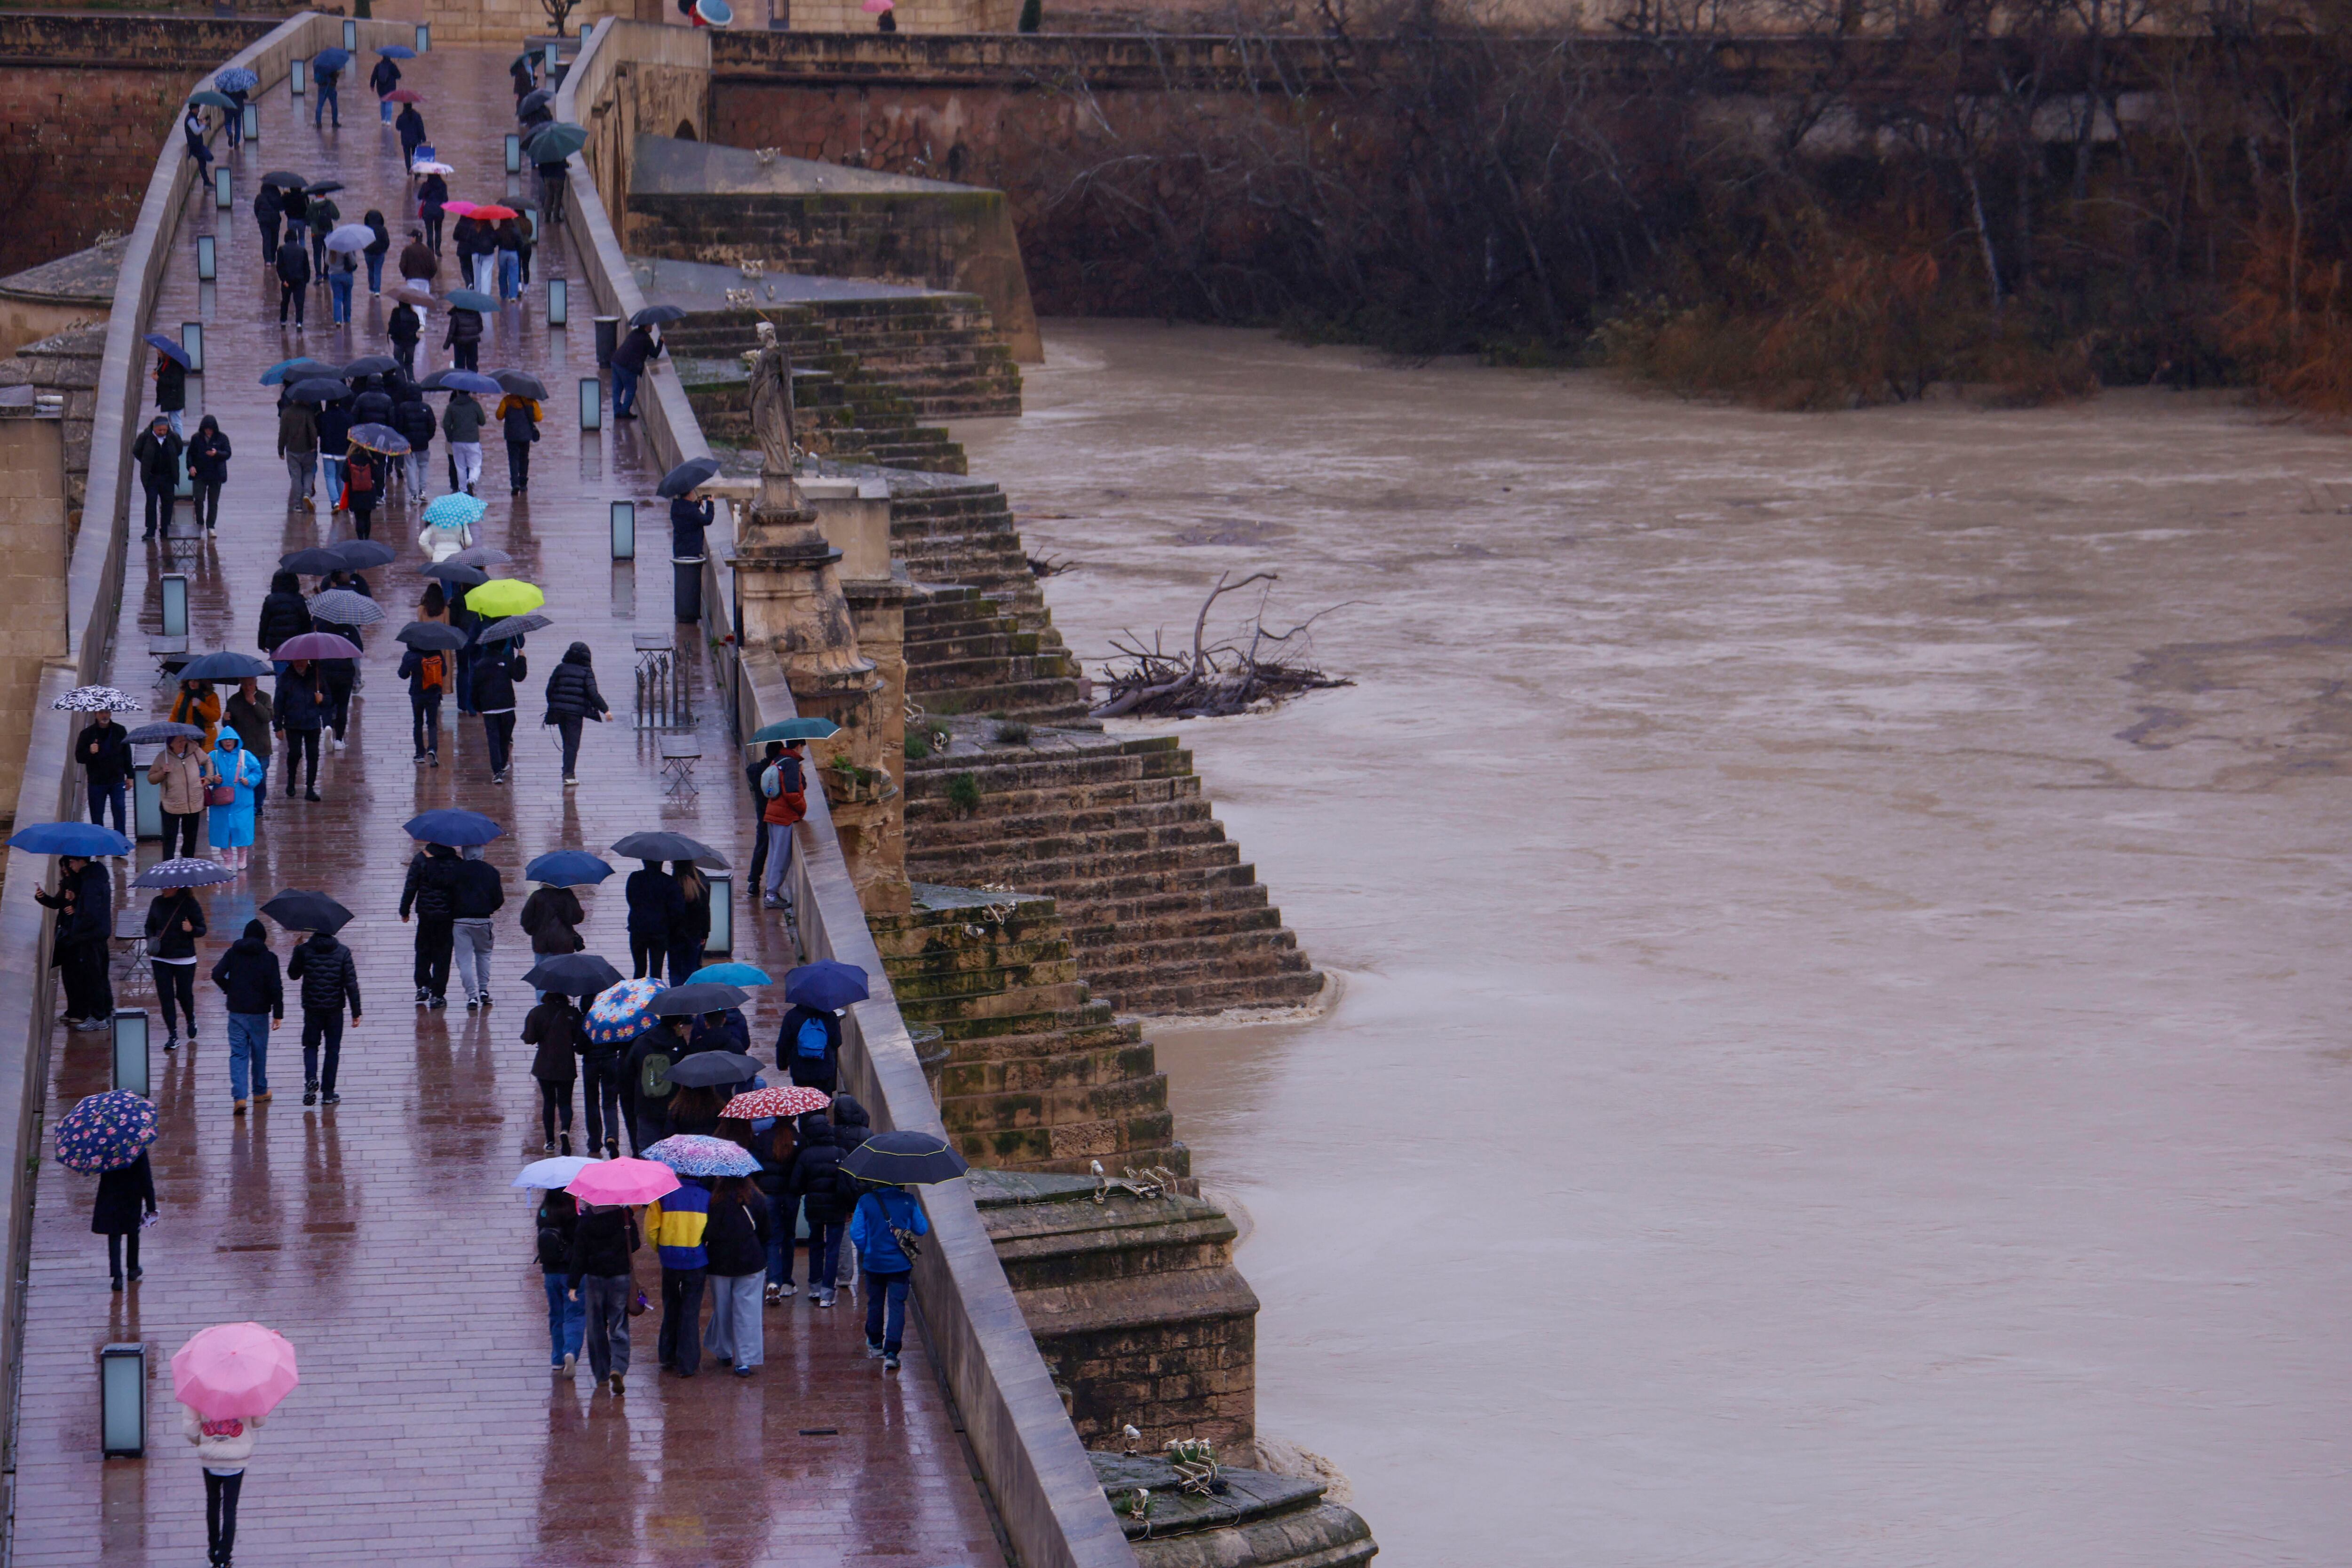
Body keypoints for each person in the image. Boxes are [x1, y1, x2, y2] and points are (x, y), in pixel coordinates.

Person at [850, 1178, 928, 1373]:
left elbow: (856, 1233)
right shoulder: (908, 1200)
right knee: (897, 1305)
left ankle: (876, 1343)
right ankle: (892, 1352)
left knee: (875, 1302)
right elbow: (922, 1228)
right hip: (900, 1264)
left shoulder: (866, 1201)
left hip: (874, 1263)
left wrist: (868, 1250)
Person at [796, 1098, 865, 1307]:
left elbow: (796, 1185)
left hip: (814, 1209)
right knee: (833, 1248)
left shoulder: (806, 1155)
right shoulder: (839, 1153)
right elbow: (849, 1185)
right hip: (836, 1209)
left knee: (816, 1245)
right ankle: (828, 1291)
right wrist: (850, 1208)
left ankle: (814, 1286)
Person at [211, 918, 282, 1116]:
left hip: (236, 1012)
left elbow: (216, 974)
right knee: (259, 1053)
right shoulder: (270, 958)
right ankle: (260, 1091)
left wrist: (229, 990)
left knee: (238, 1054)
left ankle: (240, 1097)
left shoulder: (233, 953)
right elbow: (276, 988)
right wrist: (278, 1014)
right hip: (259, 1013)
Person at [566, 1201, 637, 1397]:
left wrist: (573, 1284)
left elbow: (579, 1254)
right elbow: (636, 1244)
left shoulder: (587, 1219)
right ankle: (618, 1369)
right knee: (618, 1324)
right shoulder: (624, 1216)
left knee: (596, 1326)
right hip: (620, 1277)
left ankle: (602, 1375)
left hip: (595, 1279)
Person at [701, 1175, 769, 1378]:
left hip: (719, 1263)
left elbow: (708, 1233)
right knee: (748, 1310)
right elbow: (766, 1232)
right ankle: (744, 1361)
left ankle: (723, 1350)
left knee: (722, 1308)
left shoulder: (713, 1200)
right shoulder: (756, 1198)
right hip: (751, 1260)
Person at [182, 1397, 262, 1567]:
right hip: (237, 1460)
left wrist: (203, 1442)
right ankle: (225, 1557)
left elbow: (191, 1428)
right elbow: (259, 1420)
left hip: (211, 1459)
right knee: (230, 1508)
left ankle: (213, 1552)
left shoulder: (200, 1388)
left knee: (213, 1502)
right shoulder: (246, 1388)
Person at [644, 1174, 711, 1377]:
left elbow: (651, 1230)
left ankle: (667, 1354)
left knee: (671, 1306)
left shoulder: (663, 1195)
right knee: (690, 1312)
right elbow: (710, 1231)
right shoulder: (707, 1197)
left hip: (670, 1260)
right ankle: (688, 1364)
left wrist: (662, 1250)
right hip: (696, 1260)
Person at [286, 924, 360, 1105]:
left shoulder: (304, 950)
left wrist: (297, 949)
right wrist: (356, 1012)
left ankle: (311, 1079)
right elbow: (351, 983)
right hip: (335, 1009)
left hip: (312, 1008)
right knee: (332, 1050)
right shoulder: (343, 952)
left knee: (311, 1046)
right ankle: (328, 1093)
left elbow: (293, 975)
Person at [39, 854, 113, 1029]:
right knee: (100, 976)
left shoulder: (90, 882)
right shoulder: (95, 877)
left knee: (94, 977)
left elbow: (91, 913)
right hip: (97, 935)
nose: (70, 866)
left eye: (72, 862)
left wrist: (76, 910)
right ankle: (105, 1012)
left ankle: (99, 1018)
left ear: (82, 861)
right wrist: (76, 900)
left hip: (90, 937)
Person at [143, 881, 206, 1051]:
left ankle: (190, 1018)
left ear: (177, 887)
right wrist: (151, 939)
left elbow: (202, 929)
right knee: (166, 997)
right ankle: (173, 1035)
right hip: (160, 959)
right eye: (163, 886)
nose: (163, 888)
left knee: (184, 994)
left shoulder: (190, 904)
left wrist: (191, 929)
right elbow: (149, 926)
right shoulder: (157, 902)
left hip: (184, 958)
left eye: (167, 886)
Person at [399, 842, 461, 1007]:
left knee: (423, 950)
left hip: (426, 915)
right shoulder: (456, 862)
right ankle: (438, 995)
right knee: (443, 955)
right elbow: (460, 890)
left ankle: (423, 987)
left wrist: (404, 910)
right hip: (447, 916)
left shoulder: (420, 859)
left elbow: (411, 887)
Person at [542, 642, 609, 787]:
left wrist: (554, 704)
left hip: (559, 712)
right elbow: (593, 693)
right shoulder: (587, 672)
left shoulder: (560, 668)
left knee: (567, 741)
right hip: (575, 714)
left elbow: (549, 690)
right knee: (572, 744)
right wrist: (606, 710)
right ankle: (568, 774)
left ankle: (567, 769)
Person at [523, 992, 579, 1154]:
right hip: (567, 1065)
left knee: (549, 1102)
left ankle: (549, 1142)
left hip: (544, 1065)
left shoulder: (537, 1012)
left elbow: (529, 1039)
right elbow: (579, 1039)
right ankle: (565, 1131)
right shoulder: (572, 1013)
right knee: (565, 1102)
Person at [94, 1148, 155, 1290]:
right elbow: (146, 1178)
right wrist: (151, 1207)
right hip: (132, 1196)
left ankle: (117, 1277)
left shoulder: (105, 1146)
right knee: (133, 1232)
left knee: (114, 1235)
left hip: (111, 1196)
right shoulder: (137, 1148)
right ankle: (133, 1269)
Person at [759, 738, 809, 909]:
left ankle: (770, 891)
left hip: (773, 813)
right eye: (803, 748)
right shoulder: (791, 764)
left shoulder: (778, 760)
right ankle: (772, 895)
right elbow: (793, 793)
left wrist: (800, 773)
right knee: (781, 856)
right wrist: (802, 810)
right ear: (799, 746)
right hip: (784, 816)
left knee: (774, 854)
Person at [207, 724, 264, 872]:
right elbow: (204, 774)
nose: (228, 742)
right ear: (220, 741)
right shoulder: (213, 757)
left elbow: (258, 772)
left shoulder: (246, 756)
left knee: (242, 829)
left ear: (236, 741)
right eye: (225, 740)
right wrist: (213, 778)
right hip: (221, 803)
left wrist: (250, 780)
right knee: (222, 830)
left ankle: (242, 857)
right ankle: (227, 858)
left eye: (231, 740)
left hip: (242, 801)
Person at [452, 845, 503, 1009]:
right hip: (483, 920)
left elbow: (448, 895)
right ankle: (484, 990)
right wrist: (488, 909)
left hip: (460, 921)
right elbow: (499, 899)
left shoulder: (456, 870)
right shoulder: (491, 871)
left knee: (464, 961)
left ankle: (472, 997)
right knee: (484, 955)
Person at [620, 1017, 681, 1155]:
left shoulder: (642, 1042)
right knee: (672, 1153)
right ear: (677, 1023)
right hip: (672, 1107)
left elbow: (627, 1073)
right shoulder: (679, 1044)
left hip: (646, 1106)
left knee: (646, 1151)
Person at [148, 733, 215, 859]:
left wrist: (209, 777)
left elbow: (208, 761)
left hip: (193, 804)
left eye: (184, 741)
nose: (182, 744)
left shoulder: (195, 751)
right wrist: (163, 773)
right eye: (178, 742)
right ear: (171, 744)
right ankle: (168, 865)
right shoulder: (163, 757)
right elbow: (151, 779)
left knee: (191, 838)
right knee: (170, 839)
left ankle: (188, 862)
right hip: (171, 805)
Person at [472, 637, 524, 782]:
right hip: (507, 706)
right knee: (505, 738)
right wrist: (521, 659)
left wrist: (477, 707)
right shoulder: (506, 661)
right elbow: (520, 676)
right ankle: (501, 764)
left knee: (493, 739)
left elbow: (474, 689)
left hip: (489, 708)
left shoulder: (480, 665)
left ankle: (498, 770)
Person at [272, 659, 326, 802]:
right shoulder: (286, 677)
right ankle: (291, 782)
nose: (299, 664)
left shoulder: (316, 675)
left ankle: (310, 788)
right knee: (295, 754)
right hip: (293, 724)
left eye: (302, 661)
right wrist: (277, 726)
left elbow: (328, 699)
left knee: (313, 755)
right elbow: (278, 703)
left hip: (313, 723)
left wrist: (323, 699)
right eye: (296, 662)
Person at [577, 994, 623, 1159]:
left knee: (592, 1102)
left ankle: (595, 1141)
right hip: (611, 1061)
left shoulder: (584, 1021)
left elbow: (580, 1048)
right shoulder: (611, 1019)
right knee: (610, 1103)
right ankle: (612, 1137)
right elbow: (619, 1042)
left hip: (590, 1063)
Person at [223, 677, 273, 827]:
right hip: (243, 749)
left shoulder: (264, 697)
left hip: (261, 748)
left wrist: (254, 703)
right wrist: (225, 720)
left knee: (260, 778)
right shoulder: (234, 700)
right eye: (244, 685)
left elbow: (268, 717)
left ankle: (258, 805)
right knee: (243, 779)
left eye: (250, 684)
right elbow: (228, 727)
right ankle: (247, 806)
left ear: (256, 682)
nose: (247, 688)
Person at [624, 859, 681, 982]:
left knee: (639, 970)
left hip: (638, 929)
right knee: (657, 971)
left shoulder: (635, 878)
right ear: (662, 863)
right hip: (660, 930)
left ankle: (637, 997)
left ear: (644, 862)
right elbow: (676, 909)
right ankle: (655, 997)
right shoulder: (669, 881)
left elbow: (631, 900)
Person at [78, 708, 129, 834]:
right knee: (97, 816)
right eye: (101, 712)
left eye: (107, 712)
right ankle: (100, 845)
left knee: (119, 811)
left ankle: (120, 844)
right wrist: (89, 751)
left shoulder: (120, 731)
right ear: (96, 714)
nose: (104, 715)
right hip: (97, 782)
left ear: (111, 714)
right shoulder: (87, 734)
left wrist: (131, 776)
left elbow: (127, 754)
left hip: (117, 780)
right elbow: (79, 757)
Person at [132, 415, 182, 542]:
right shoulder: (145, 437)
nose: (162, 433)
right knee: (151, 503)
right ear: (154, 429)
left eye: (165, 430)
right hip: (152, 477)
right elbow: (137, 451)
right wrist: (146, 463)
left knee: (168, 503)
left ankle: (165, 528)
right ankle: (151, 530)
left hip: (167, 477)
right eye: (160, 430)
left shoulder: (173, 438)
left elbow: (179, 450)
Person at [776, 996, 842, 1093]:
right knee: (822, 1103)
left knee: (803, 1103)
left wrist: (782, 1064)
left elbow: (783, 1044)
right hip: (824, 1070)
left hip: (801, 1071)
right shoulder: (830, 1016)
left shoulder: (792, 1016)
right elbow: (837, 1042)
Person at [670, 489, 712, 622]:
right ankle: (690, 613)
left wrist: (696, 505)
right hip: (692, 550)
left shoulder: (676, 507)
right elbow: (707, 520)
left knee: (683, 581)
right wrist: (710, 504)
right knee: (692, 582)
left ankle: (683, 611)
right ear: (689, 494)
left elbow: (689, 517)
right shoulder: (690, 511)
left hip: (680, 549)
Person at [745, 740, 782, 890]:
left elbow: (750, 769)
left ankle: (754, 882)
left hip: (762, 815)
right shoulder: (776, 771)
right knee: (777, 851)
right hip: (776, 814)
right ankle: (772, 886)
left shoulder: (755, 770)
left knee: (761, 847)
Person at [257, 571, 311, 668]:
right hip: (296, 644)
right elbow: (306, 623)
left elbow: (264, 623)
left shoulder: (270, 600)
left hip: (276, 645)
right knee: (297, 673)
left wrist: (262, 643)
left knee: (280, 673)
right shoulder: (299, 600)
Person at [668, 861, 709, 987]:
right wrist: (705, 933)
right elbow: (705, 910)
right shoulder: (702, 881)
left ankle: (677, 998)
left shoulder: (671, 883)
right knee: (692, 969)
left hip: (675, 935)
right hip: (694, 934)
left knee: (675, 970)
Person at [187, 414, 230, 535]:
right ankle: (200, 522)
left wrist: (217, 454)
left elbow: (228, 453)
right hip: (200, 474)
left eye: (210, 429)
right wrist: (191, 466)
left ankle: (211, 526)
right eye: (206, 429)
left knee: (213, 502)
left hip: (216, 475)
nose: (208, 431)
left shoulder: (222, 438)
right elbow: (190, 454)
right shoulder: (196, 438)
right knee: (199, 499)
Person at [610, 321, 660, 420]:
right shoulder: (646, 339)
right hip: (627, 367)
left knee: (617, 388)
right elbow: (655, 354)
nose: (652, 327)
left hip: (616, 361)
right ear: (646, 326)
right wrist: (661, 342)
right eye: (651, 325)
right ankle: (624, 412)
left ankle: (617, 411)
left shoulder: (634, 333)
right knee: (631, 389)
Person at [276, 395, 317, 509]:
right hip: (308, 449)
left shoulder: (286, 413)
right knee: (308, 472)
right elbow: (312, 430)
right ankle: (307, 494)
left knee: (296, 477)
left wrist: (281, 450)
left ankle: (297, 504)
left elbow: (282, 433)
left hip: (292, 450)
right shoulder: (308, 412)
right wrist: (314, 445)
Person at [441, 387, 485, 491]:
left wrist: (450, 437)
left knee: (461, 468)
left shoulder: (451, 407)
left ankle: (463, 490)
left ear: (458, 392)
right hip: (472, 441)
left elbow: (446, 424)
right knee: (475, 466)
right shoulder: (475, 405)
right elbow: (482, 421)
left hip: (457, 441)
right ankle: (472, 480)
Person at [316, 396, 353, 514]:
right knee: (340, 477)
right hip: (343, 451)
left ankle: (335, 502)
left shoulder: (323, 416)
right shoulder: (347, 417)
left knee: (330, 477)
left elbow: (319, 432)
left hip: (327, 451)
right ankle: (343, 502)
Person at [497, 391, 539, 494]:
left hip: (511, 436)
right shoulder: (531, 402)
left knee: (513, 460)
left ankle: (515, 483)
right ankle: (523, 483)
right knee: (524, 458)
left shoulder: (507, 401)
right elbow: (539, 417)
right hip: (526, 435)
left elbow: (499, 416)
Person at [394, 380, 435, 485]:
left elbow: (399, 426)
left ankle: (414, 495)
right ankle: (423, 490)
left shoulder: (403, 407)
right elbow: (432, 426)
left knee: (411, 467)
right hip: (423, 443)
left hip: (409, 444)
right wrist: (427, 437)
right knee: (424, 466)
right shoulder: (426, 407)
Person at [275, 230, 311, 330]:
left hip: (287, 280)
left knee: (285, 301)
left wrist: (283, 279)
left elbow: (280, 266)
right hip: (300, 280)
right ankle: (299, 322)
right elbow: (306, 267)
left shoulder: (282, 250)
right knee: (299, 302)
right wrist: (306, 280)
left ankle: (283, 320)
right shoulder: (303, 250)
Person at [343, 445, 380, 538]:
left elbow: (344, 477)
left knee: (358, 517)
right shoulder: (369, 460)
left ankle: (360, 538)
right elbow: (376, 476)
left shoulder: (349, 460)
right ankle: (367, 538)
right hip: (369, 492)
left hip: (355, 493)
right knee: (367, 517)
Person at [305, 190, 341, 280]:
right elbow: (337, 216)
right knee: (327, 253)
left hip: (316, 233)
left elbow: (307, 220)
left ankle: (318, 275)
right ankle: (326, 274)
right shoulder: (329, 204)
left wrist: (314, 223)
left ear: (315, 195)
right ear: (325, 194)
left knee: (317, 254)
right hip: (328, 232)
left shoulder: (311, 206)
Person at [154, 345, 188, 439]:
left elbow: (173, 381)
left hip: (175, 397)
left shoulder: (175, 364)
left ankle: (178, 440)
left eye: (159, 353)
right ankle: (177, 439)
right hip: (172, 397)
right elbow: (162, 372)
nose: (159, 355)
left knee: (176, 421)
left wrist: (159, 379)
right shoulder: (165, 361)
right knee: (173, 419)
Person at [446, 301, 483, 374]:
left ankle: (459, 382)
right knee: (472, 365)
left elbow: (451, 332)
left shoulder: (456, 314)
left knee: (460, 365)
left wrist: (446, 345)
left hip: (459, 343)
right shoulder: (476, 313)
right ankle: (474, 380)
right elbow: (481, 328)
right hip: (473, 343)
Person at [397, 226, 435, 295]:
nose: (411, 239)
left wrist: (406, 275)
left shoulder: (407, 250)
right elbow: (434, 267)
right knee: (424, 300)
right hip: (425, 280)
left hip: (412, 279)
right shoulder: (428, 251)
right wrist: (429, 276)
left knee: (415, 302)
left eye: (411, 237)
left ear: (415, 238)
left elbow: (402, 265)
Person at [361, 208, 391, 295]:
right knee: (378, 271)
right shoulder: (383, 229)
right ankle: (377, 290)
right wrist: (384, 250)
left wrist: (365, 249)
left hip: (368, 253)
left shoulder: (366, 229)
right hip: (380, 253)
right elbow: (387, 241)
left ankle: (371, 288)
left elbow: (362, 241)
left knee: (370, 270)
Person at [417, 172, 448, 254]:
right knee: (438, 230)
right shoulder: (443, 185)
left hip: (428, 210)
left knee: (429, 230)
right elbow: (446, 199)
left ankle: (430, 249)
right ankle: (438, 249)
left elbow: (419, 197)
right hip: (439, 210)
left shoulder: (426, 185)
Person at [254, 182, 284, 263]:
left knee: (266, 239)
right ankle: (273, 257)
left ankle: (268, 260)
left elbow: (256, 209)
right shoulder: (277, 196)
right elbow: (282, 208)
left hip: (264, 221)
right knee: (275, 239)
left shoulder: (260, 197)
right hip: (275, 220)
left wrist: (260, 217)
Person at [495, 217, 523, 302]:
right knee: (514, 274)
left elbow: (495, 241)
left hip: (502, 253)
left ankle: (504, 294)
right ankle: (513, 296)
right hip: (513, 253)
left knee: (502, 274)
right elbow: (520, 243)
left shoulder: (499, 231)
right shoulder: (516, 231)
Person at [536, 154, 569, 225]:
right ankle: (556, 217)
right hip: (558, 177)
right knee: (558, 197)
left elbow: (541, 168)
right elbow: (564, 164)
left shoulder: (544, 154)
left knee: (549, 196)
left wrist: (544, 177)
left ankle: (547, 217)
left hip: (548, 178)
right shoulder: (559, 152)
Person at [369, 50, 401, 123]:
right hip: (391, 88)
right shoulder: (392, 66)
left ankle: (383, 120)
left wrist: (372, 86)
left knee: (383, 103)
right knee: (389, 103)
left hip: (380, 88)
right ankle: (388, 121)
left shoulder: (378, 65)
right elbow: (399, 76)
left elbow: (374, 76)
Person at [327, 248, 356, 327]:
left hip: (334, 275)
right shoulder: (348, 246)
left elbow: (327, 261)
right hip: (347, 275)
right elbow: (353, 262)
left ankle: (338, 321)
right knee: (347, 297)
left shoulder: (331, 245)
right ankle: (347, 319)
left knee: (337, 298)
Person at [183, 104, 212, 177]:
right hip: (195, 145)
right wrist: (204, 125)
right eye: (198, 109)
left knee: (203, 162)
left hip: (198, 145)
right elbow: (197, 131)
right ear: (193, 110)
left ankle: (206, 181)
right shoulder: (191, 120)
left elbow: (199, 129)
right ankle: (206, 182)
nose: (199, 111)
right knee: (208, 157)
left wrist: (205, 125)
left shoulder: (194, 118)